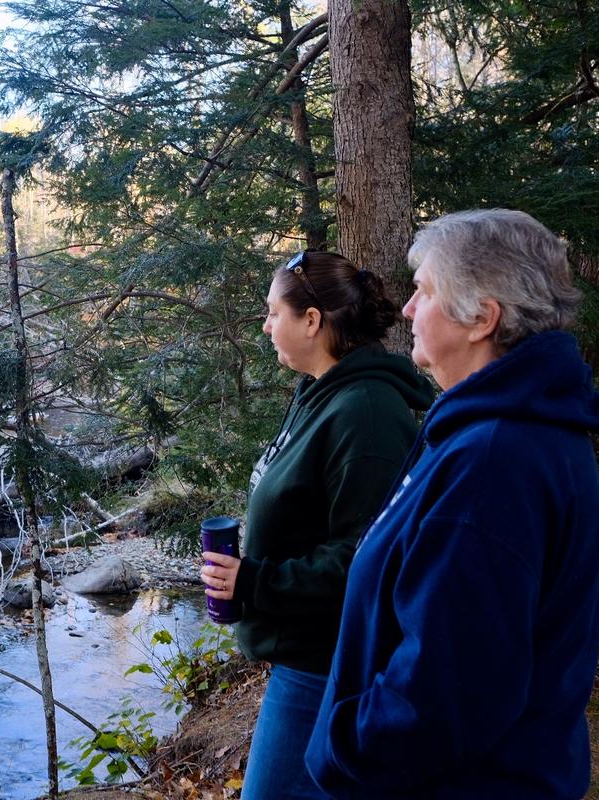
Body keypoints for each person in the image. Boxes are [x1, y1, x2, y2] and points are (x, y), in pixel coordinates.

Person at [305, 209, 599, 799]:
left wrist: (340, 749)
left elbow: (447, 691)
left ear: (481, 318)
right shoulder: (498, 431)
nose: (405, 309)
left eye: (423, 291)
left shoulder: (493, 463)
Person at [200, 250, 433, 800]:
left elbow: (367, 555)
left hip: (324, 664)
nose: (265, 325)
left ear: (311, 321)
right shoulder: (318, 392)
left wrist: (252, 582)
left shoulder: (367, 413)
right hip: (300, 655)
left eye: (272, 313)